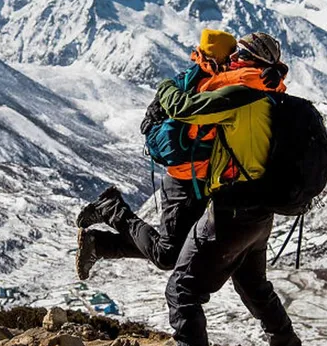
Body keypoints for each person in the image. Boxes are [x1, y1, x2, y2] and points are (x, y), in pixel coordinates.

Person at [146, 32, 315, 346]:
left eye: (237, 54)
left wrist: (164, 85)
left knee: (182, 290)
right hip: (260, 212)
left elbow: (184, 108)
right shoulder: (273, 92)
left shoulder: (239, 94)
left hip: (232, 209)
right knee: (255, 286)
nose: (232, 59)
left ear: (245, 59)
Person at [75, 29, 237, 279]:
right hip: (186, 182)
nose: (235, 61)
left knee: (181, 250)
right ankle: (111, 210)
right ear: (222, 57)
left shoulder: (189, 80)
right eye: (232, 56)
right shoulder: (210, 90)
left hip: (193, 179)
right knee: (168, 255)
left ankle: (100, 244)